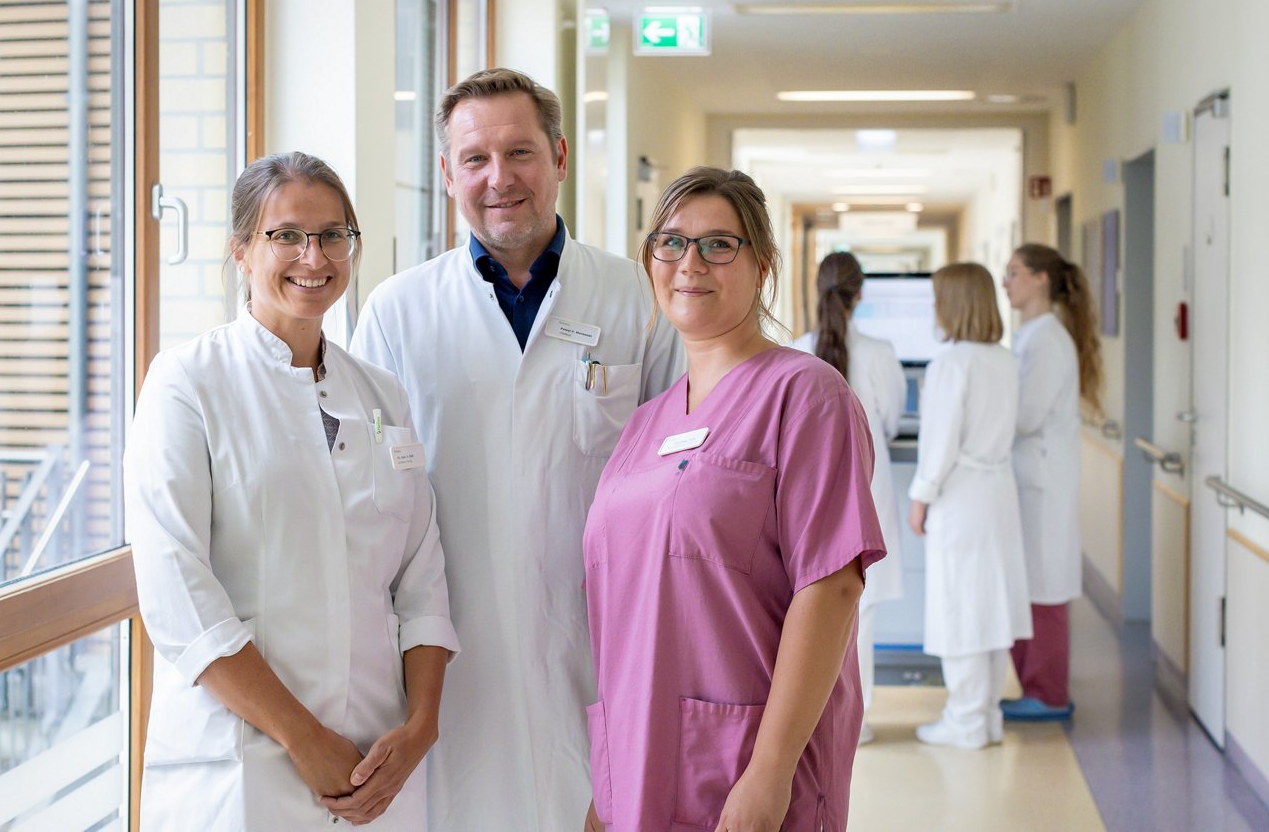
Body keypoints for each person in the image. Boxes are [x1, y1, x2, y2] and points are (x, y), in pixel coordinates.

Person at [351, 69, 684, 831]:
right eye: (474, 159)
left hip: (601, 647)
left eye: (521, 153)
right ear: (446, 175)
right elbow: (371, 505)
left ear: (561, 157)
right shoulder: (398, 312)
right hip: (448, 658)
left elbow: (677, 487)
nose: (499, 179)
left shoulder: (636, 298)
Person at [126, 152, 459, 829]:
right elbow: (176, 589)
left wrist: (422, 723)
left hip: (376, 757)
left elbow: (422, 575)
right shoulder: (187, 382)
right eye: (286, 235)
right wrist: (302, 738)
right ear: (243, 252)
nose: (315, 255)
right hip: (243, 762)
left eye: (334, 234)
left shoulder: (379, 392)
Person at [582, 167, 886, 831]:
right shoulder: (645, 422)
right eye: (672, 244)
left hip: (748, 762)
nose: (691, 263)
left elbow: (830, 589)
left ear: (762, 265)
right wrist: (606, 779)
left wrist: (770, 771)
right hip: (638, 760)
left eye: (719, 244)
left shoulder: (807, 397)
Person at [907, 262, 1032, 750]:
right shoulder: (1003, 359)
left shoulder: (952, 364)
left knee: (960, 608)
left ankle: (964, 720)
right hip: (998, 493)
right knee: (993, 608)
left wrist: (920, 498)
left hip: (960, 496)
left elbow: (938, 445)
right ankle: (986, 714)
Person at [792, 251, 906, 746]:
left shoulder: (795, 350)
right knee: (865, 614)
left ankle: (815, 720)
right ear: (860, 295)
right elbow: (895, 421)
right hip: (868, 489)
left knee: (811, 611)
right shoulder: (881, 353)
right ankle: (854, 724)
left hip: (808, 496)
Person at [1000, 243, 1104, 721]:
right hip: (1033, 479)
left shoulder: (1046, 340)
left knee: (1043, 591)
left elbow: (1025, 415)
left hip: (1040, 482)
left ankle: (1048, 694)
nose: (1006, 282)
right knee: (1034, 586)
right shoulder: (1036, 336)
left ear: (1041, 279)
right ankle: (1039, 686)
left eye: (1014, 272)